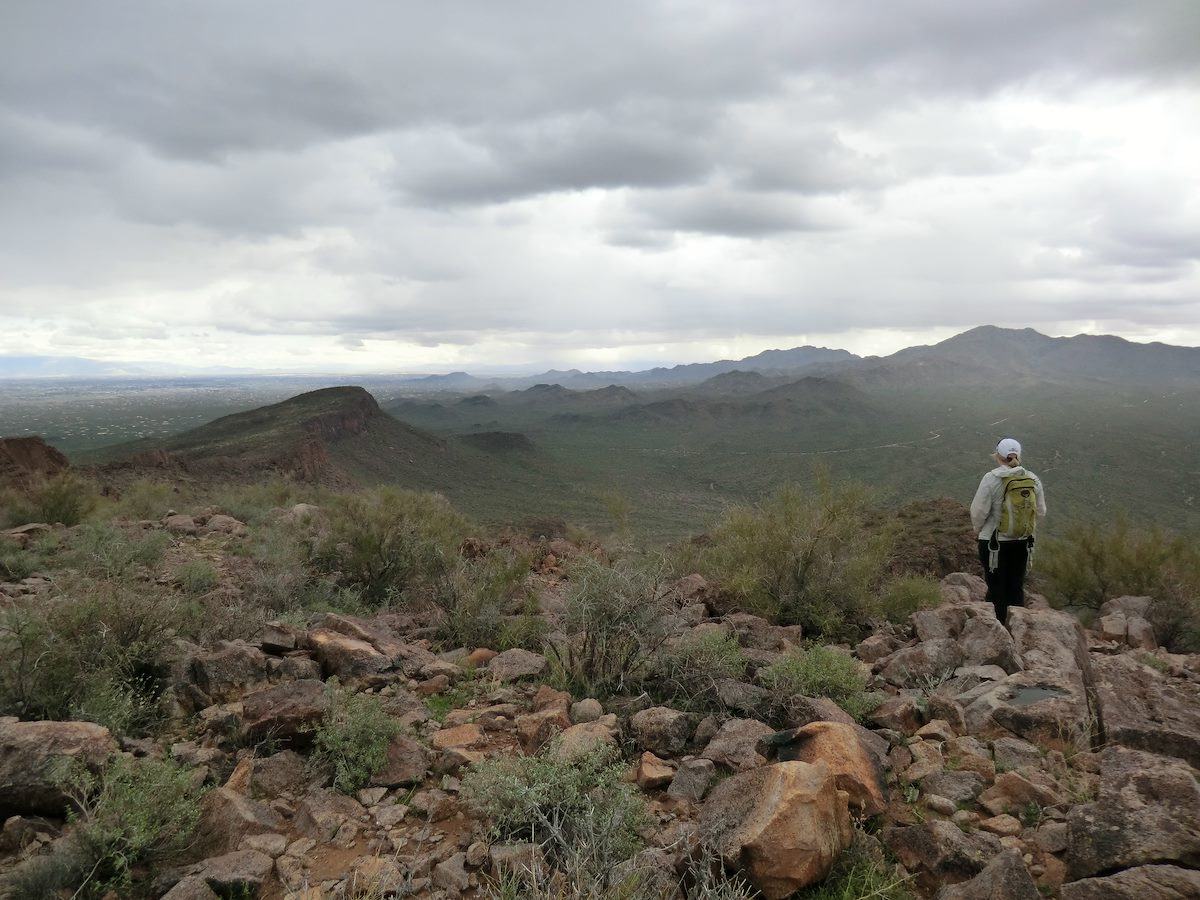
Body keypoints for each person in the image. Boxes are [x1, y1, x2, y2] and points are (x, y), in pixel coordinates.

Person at [970, 438, 1046, 625]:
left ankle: (997, 631)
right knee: (1016, 587)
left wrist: (978, 531)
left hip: (994, 543)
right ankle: (1017, 629)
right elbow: (1041, 512)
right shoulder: (1032, 479)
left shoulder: (992, 478)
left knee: (996, 588)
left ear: (998, 456)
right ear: (1018, 455)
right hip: (1023, 543)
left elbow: (978, 512)